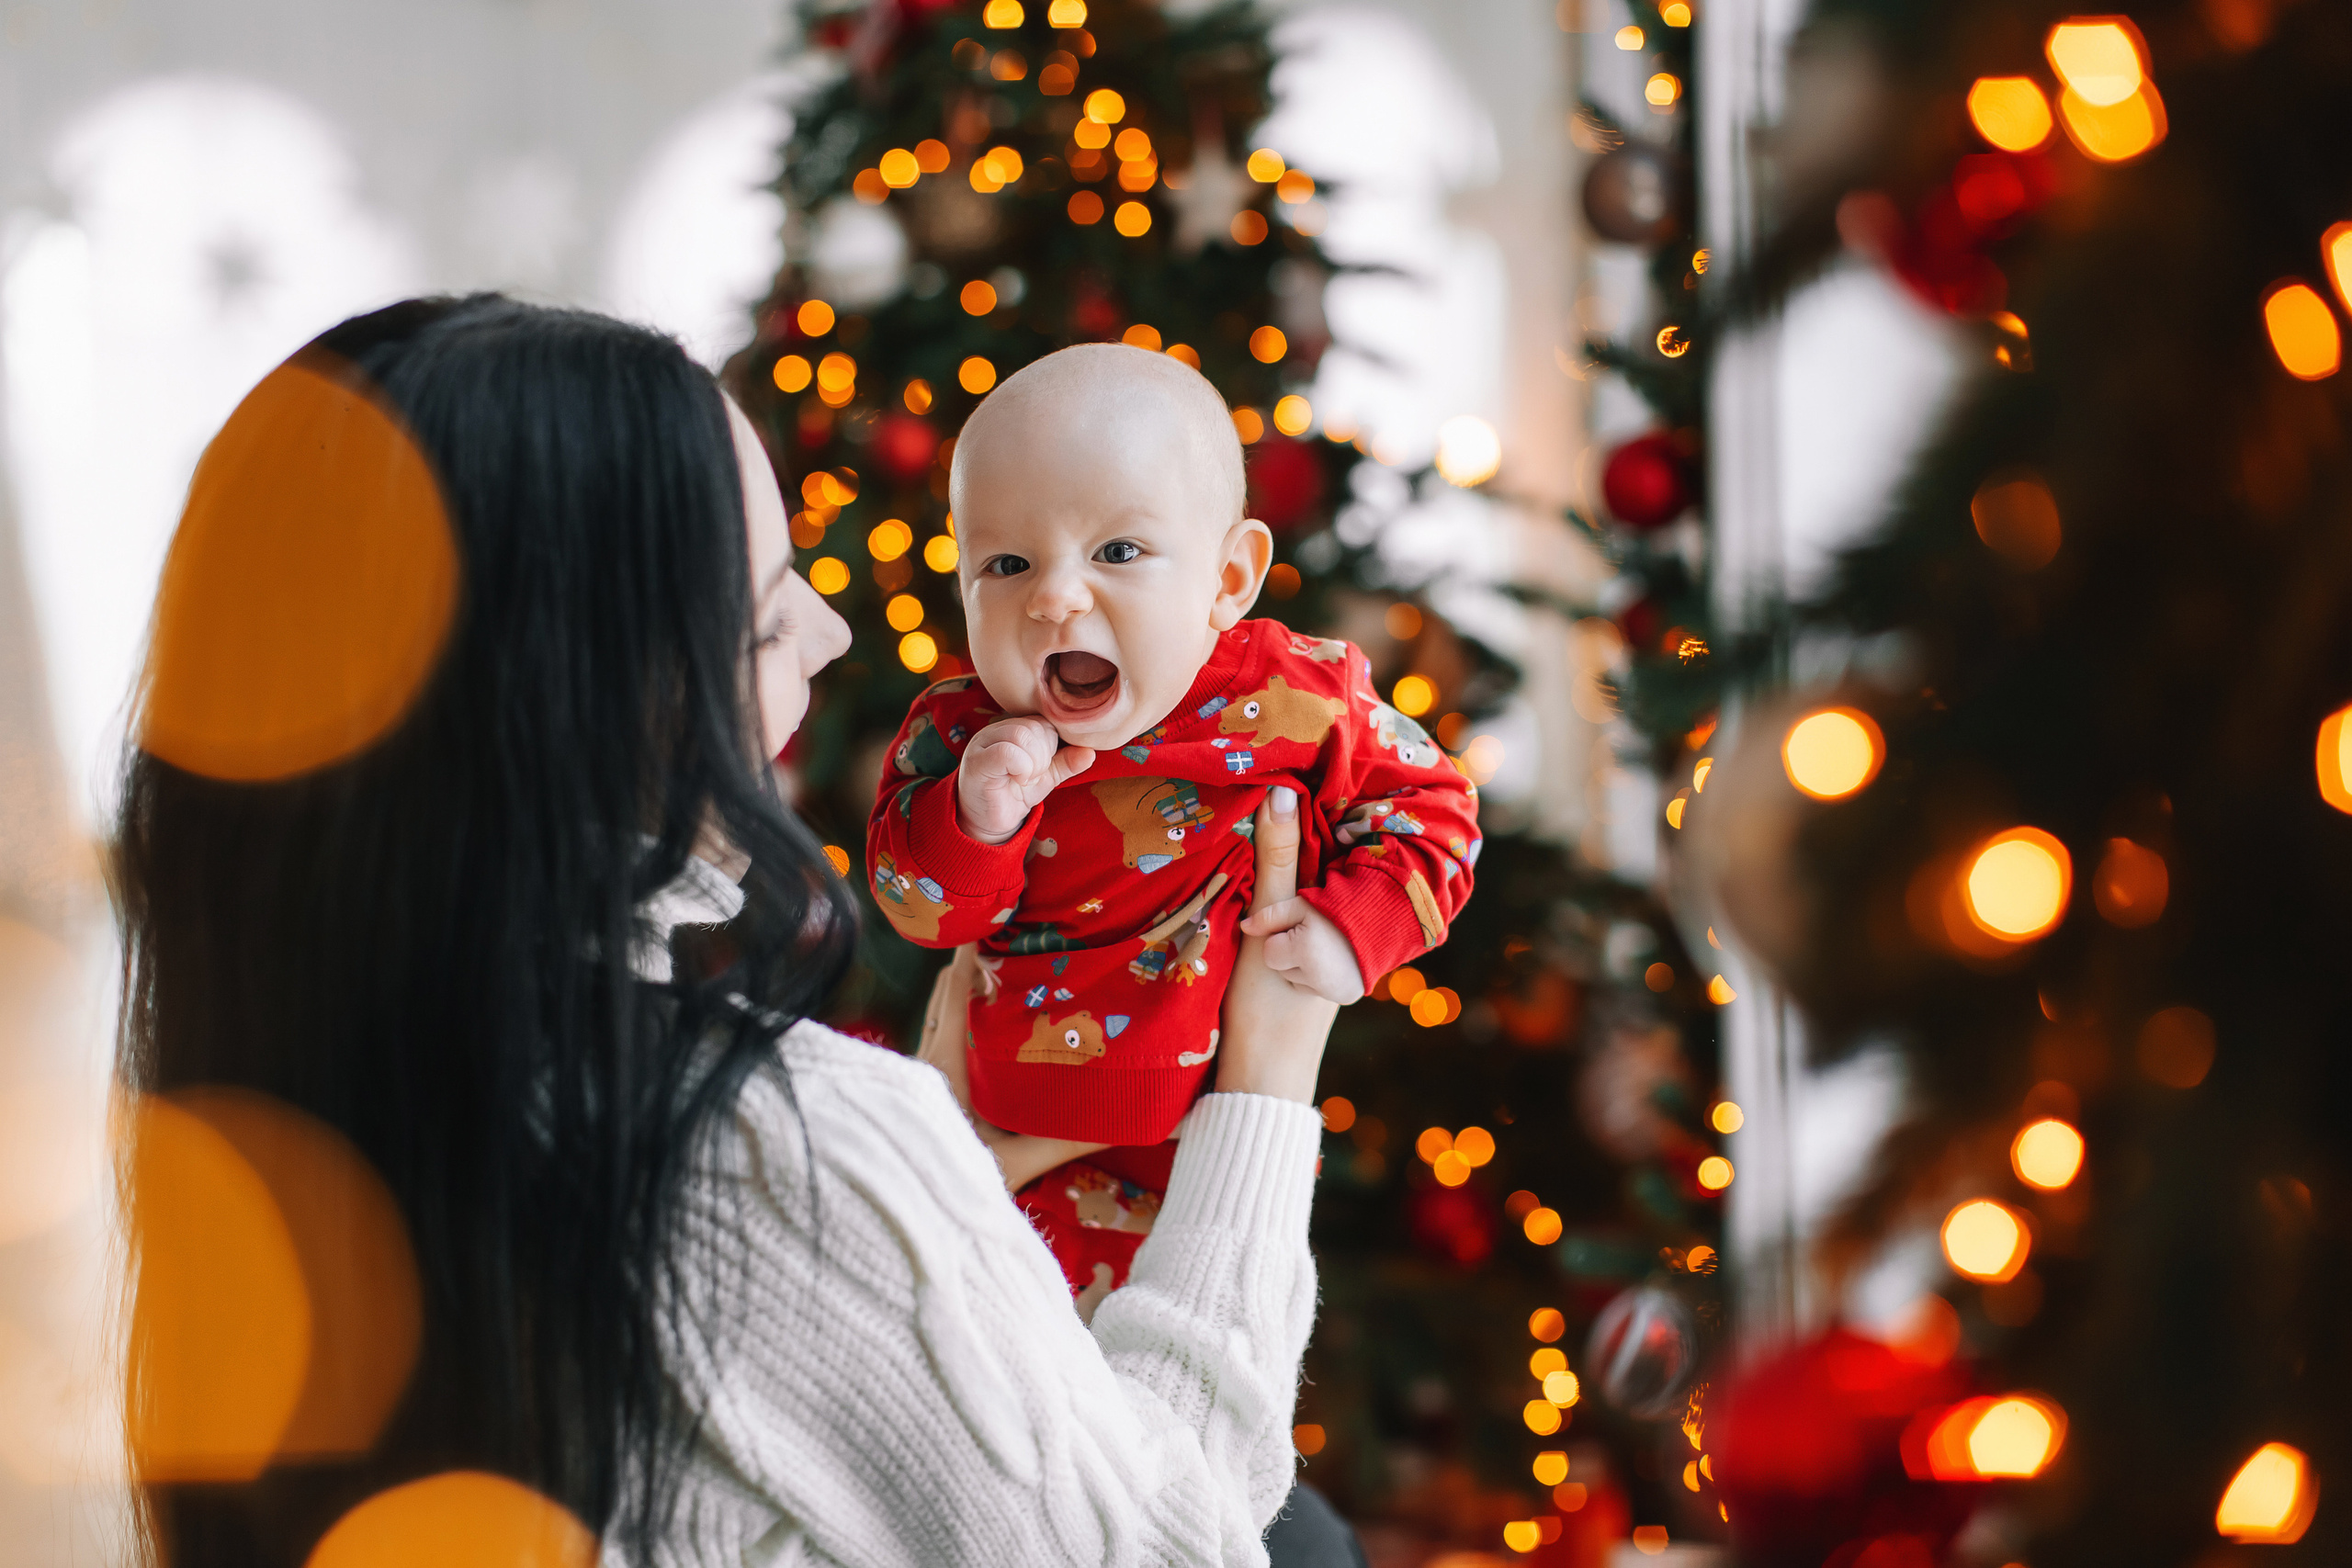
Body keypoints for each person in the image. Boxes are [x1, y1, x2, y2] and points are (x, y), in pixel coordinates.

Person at [115, 296, 1346, 1566]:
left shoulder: (277, 1107)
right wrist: (1263, 1091)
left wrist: (940, 1195)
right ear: (579, 710)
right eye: (765, 617)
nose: (833, 632)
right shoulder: (774, 1148)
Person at [865, 345, 1477, 1303]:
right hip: (1017, 1142)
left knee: (1185, 1343)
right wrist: (972, 820)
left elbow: (1436, 808)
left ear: (1230, 577)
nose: (1055, 597)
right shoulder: (965, 734)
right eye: (1007, 563)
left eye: (1117, 552)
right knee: (1024, 1373)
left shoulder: (1296, 696)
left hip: (1217, 1136)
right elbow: (918, 909)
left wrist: (1351, 928)